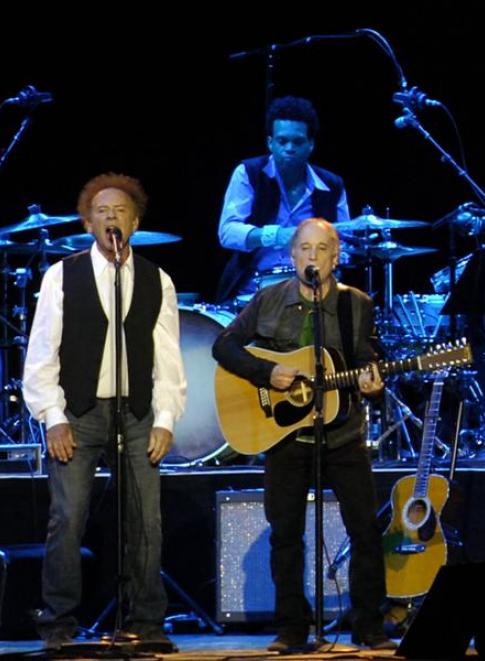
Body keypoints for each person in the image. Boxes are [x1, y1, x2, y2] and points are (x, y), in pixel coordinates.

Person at [212, 218, 396, 652]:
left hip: (343, 433)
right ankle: (291, 628)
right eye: (305, 249)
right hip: (286, 436)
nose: (313, 257)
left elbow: (369, 357)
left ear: (336, 256)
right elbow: (224, 346)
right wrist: (267, 372)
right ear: (292, 255)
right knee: (286, 533)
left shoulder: (357, 304)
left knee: (365, 530)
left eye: (322, 249)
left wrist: (372, 379)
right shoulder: (269, 299)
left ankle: (368, 625)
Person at [23, 173, 187, 650]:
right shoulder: (63, 275)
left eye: (119, 211)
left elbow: (168, 357)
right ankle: (58, 624)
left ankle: (147, 623)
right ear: (87, 222)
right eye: (101, 211)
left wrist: (164, 419)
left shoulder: (158, 280)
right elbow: (41, 352)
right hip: (78, 412)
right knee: (68, 516)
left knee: (146, 518)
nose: (110, 217)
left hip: (135, 413)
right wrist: (52, 415)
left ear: (134, 222)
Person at [216, 95, 350, 303]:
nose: (289, 148)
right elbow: (227, 232)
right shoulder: (248, 173)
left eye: (297, 141)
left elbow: (344, 240)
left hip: (312, 290)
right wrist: (276, 235)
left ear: (311, 144)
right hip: (252, 290)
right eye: (282, 141)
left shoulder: (332, 186)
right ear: (270, 142)